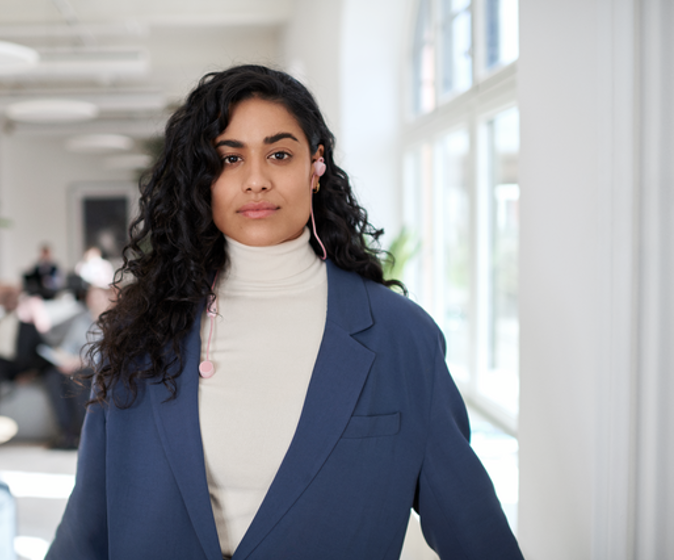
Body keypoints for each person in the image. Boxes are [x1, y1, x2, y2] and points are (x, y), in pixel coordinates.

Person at [46, 65, 524, 560]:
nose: (255, 181)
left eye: (278, 154)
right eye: (229, 159)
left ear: (314, 167)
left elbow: (475, 532)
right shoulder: (142, 332)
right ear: (201, 179)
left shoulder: (399, 335)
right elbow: (87, 529)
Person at [42, 285, 116, 450]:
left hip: (97, 367)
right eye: (91, 297)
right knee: (52, 376)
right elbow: (68, 346)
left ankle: (84, 434)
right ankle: (67, 434)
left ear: (107, 299)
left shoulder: (113, 322)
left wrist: (81, 361)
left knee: (78, 377)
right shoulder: (80, 321)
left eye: (98, 297)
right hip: (75, 364)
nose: (93, 301)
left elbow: (108, 353)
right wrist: (62, 357)